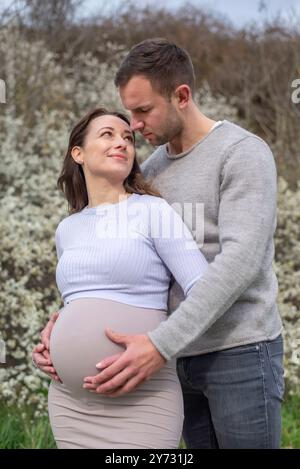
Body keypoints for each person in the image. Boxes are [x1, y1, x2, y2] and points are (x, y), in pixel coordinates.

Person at [33, 38, 284, 449]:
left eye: (142, 110)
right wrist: (63, 326)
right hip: (175, 357)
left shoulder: (241, 153)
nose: (132, 125)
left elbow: (240, 261)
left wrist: (159, 344)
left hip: (237, 349)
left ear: (181, 96)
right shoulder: (151, 170)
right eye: (128, 111)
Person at [32, 107, 208, 449]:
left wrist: (160, 345)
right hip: (72, 403)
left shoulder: (152, 210)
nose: (122, 143)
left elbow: (203, 288)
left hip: (142, 398)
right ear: (78, 153)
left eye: (128, 138)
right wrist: (51, 339)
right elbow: (78, 301)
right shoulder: (67, 228)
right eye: (108, 134)